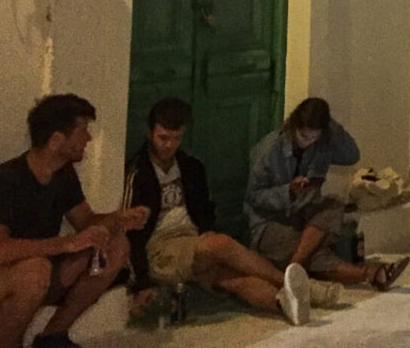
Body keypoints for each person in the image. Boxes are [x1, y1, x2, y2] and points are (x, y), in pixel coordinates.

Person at [122, 97, 339, 326]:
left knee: (236, 280)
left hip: (194, 243)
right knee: (220, 244)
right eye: (163, 138)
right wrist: (141, 281)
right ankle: (298, 283)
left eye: (176, 139)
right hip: (160, 249)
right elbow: (131, 232)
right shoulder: (139, 173)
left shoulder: (190, 166)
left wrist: (206, 231)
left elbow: (204, 210)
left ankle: (285, 305)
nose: (169, 145)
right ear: (150, 134)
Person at [0, 94, 149, 348]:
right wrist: (65, 244)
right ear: (56, 140)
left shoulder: (62, 174)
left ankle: (53, 336)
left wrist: (119, 219)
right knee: (35, 269)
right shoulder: (4, 181)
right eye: (82, 130)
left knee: (116, 246)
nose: (88, 138)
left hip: (41, 275)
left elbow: (86, 221)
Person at [244, 97, 406, 291]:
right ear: (294, 126)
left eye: (314, 138)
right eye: (304, 137)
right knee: (314, 252)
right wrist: (288, 192)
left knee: (332, 206)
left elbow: (351, 155)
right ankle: (370, 274)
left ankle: (293, 269)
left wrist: (330, 125)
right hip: (271, 222)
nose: (308, 142)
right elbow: (254, 196)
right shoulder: (269, 150)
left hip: (305, 215)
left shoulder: (321, 144)